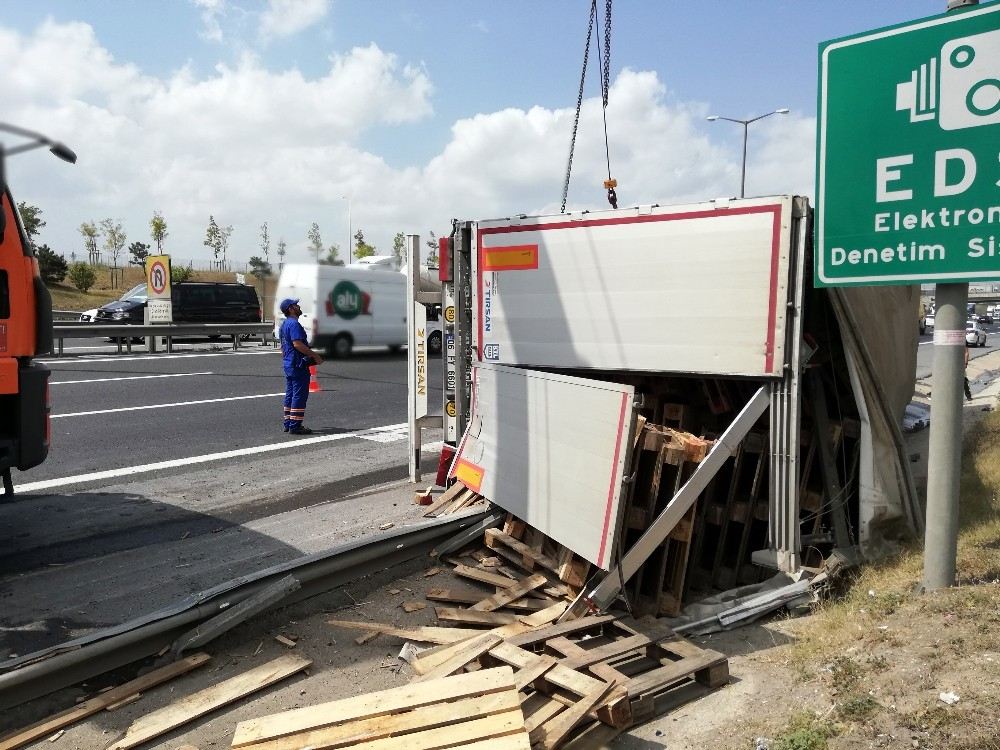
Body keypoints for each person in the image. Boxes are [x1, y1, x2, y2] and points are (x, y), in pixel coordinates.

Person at [278, 298, 323, 434]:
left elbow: (282, 347)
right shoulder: (294, 324)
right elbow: (297, 344)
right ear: (291, 309)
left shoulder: (284, 324)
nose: (298, 306)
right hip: (298, 365)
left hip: (288, 364)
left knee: (290, 394)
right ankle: (295, 426)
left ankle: (288, 422)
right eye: (296, 305)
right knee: (299, 395)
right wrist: (314, 355)